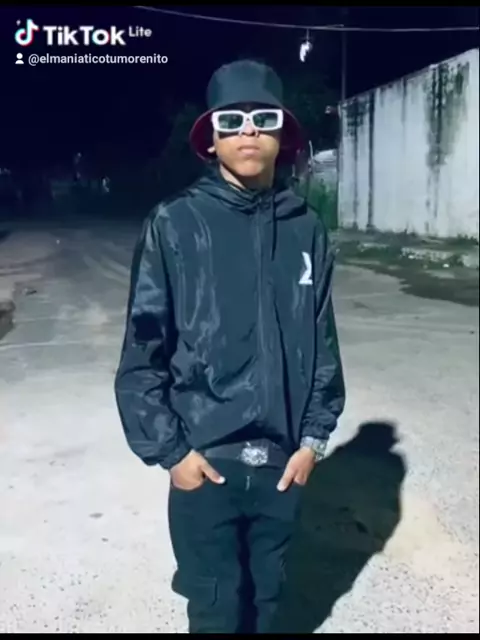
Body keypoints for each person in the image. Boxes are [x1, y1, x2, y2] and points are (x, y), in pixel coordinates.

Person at [114, 59, 346, 634]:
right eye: (232, 120)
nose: (248, 131)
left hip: (282, 467)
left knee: (269, 605)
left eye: (263, 119)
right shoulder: (175, 223)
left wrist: (313, 442)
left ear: (281, 135)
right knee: (215, 608)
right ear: (211, 139)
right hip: (205, 464)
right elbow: (143, 352)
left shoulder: (306, 227)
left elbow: (322, 342)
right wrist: (172, 454)